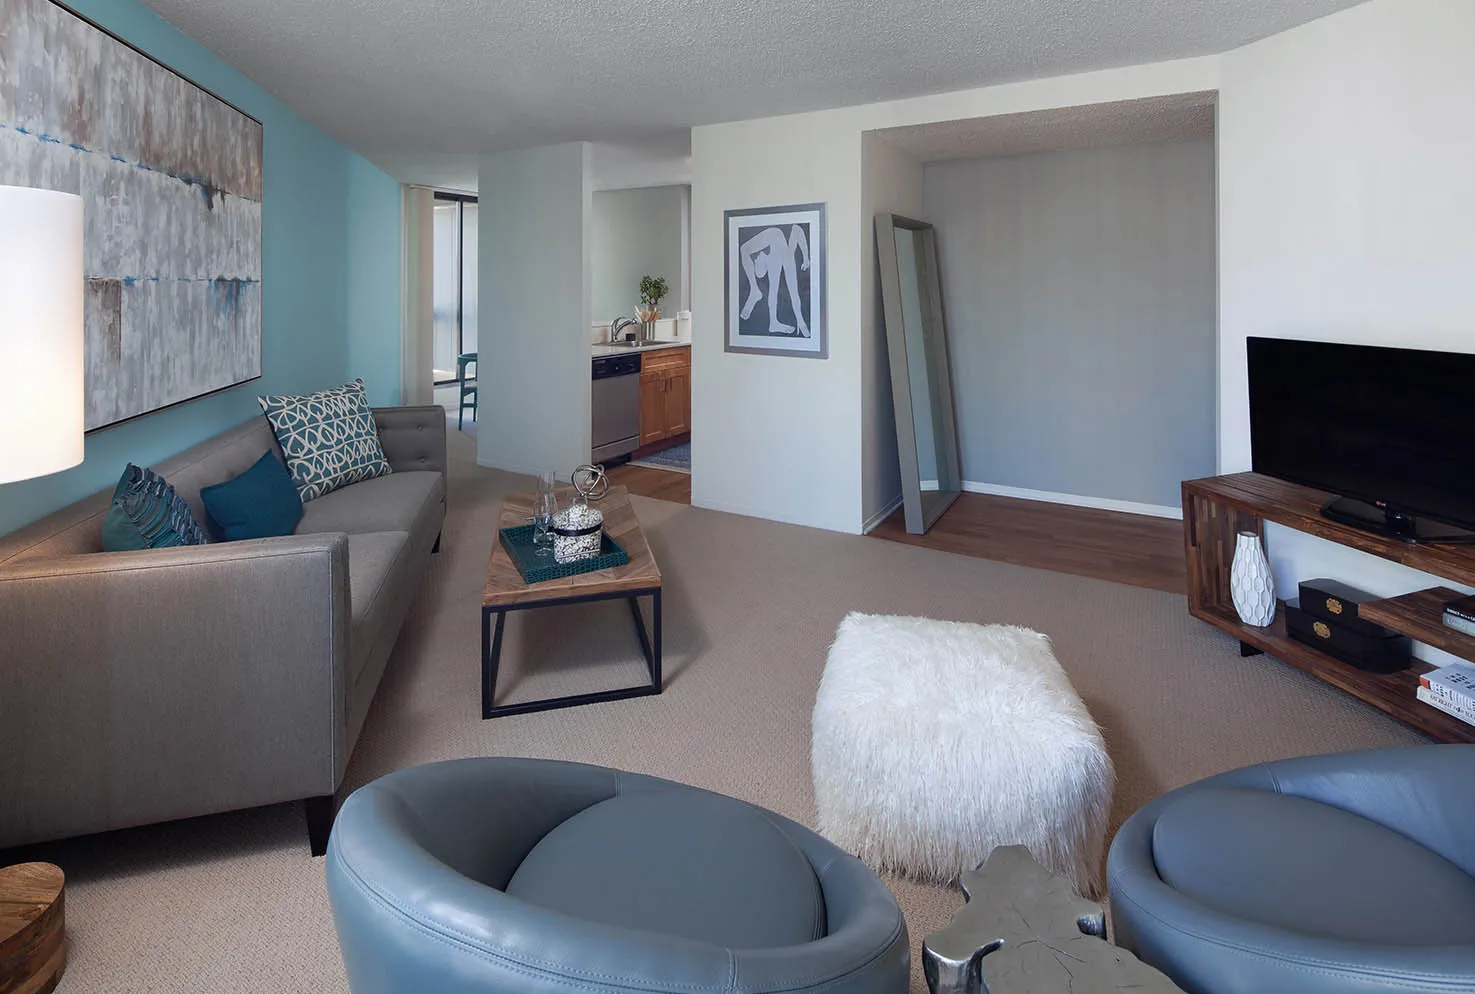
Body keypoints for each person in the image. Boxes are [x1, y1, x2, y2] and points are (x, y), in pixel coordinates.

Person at [738, 224, 810, 337]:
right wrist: (805, 257)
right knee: (778, 289)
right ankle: (775, 322)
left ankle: (755, 292)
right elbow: (798, 231)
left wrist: (806, 257)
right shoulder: (776, 256)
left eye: (757, 261)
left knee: (745, 250)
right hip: (779, 250)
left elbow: (798, 231)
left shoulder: (775, 238)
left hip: (777, 243)